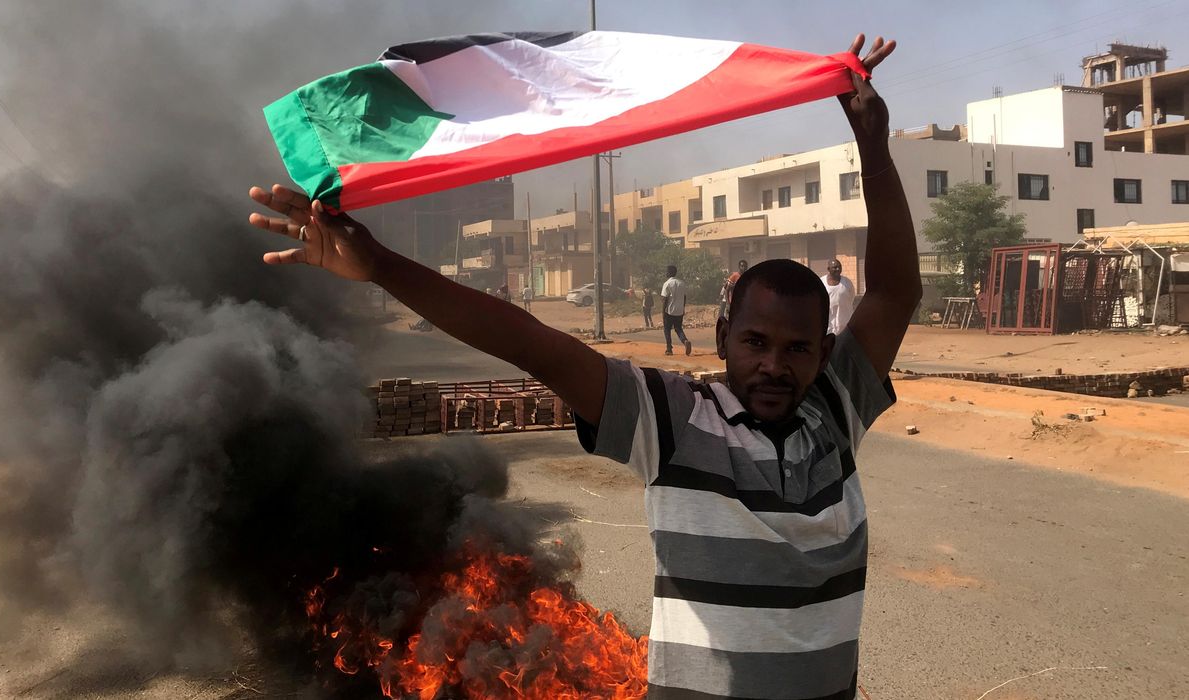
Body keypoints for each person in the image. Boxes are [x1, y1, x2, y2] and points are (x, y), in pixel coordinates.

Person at [248, 34, 916, 700]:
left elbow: (893, 291)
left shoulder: (835, 411)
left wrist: (871, 146)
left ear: (823, 353)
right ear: (721, 337)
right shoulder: (673, 420)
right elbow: (533, 344)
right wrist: (381, 268)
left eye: (796, 348)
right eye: (754, 342)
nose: (773, 365)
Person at [660, 265, 691, 356]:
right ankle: (685, 341)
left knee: (667, 329)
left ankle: (669, 349)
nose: (666, 273)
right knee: (678, 328)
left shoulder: (667, 284)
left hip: (669, 311)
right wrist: (683, 308)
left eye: (666, 271)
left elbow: (664, 299)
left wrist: (663, 312)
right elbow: (684, 297)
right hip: (679, 310)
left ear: (669, 273)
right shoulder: (682, 283)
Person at [821, 258, 857, 335]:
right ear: (828, 269)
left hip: (845, 326)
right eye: (835, 267)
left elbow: (852, 297)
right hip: (828, 327)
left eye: (839, 267)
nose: (838, 269)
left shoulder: (847, 283)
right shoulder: (822, 283)